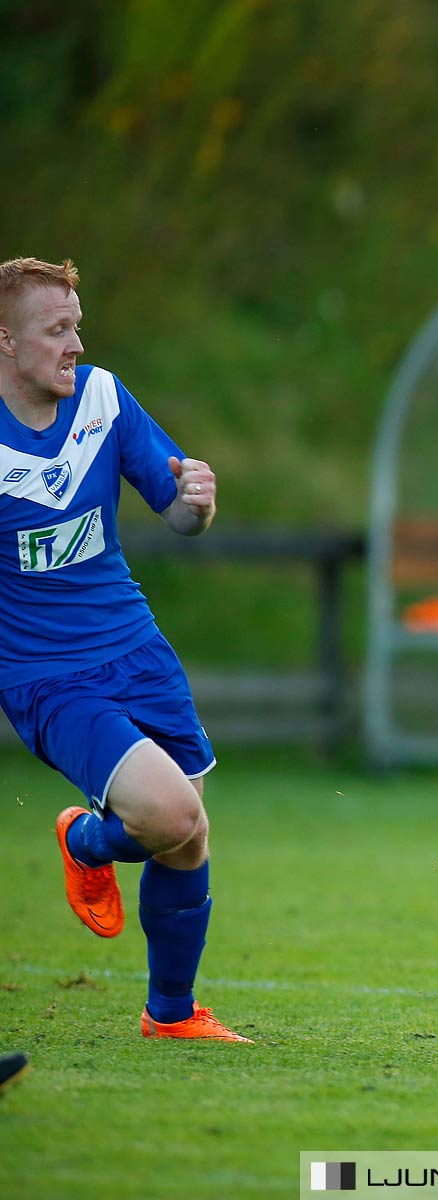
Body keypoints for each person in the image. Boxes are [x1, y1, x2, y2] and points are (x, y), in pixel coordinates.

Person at [0, 257, 248, 1042]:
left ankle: (170, 1015)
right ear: (6, 341)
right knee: (169, 814)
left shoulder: (104, 398)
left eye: (78, 326)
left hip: (137, 648)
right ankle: (84, 837)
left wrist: (196, 504)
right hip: (48, 679)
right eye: (57, 330)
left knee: (188, 832)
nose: (76, 344)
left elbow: (175, 513)